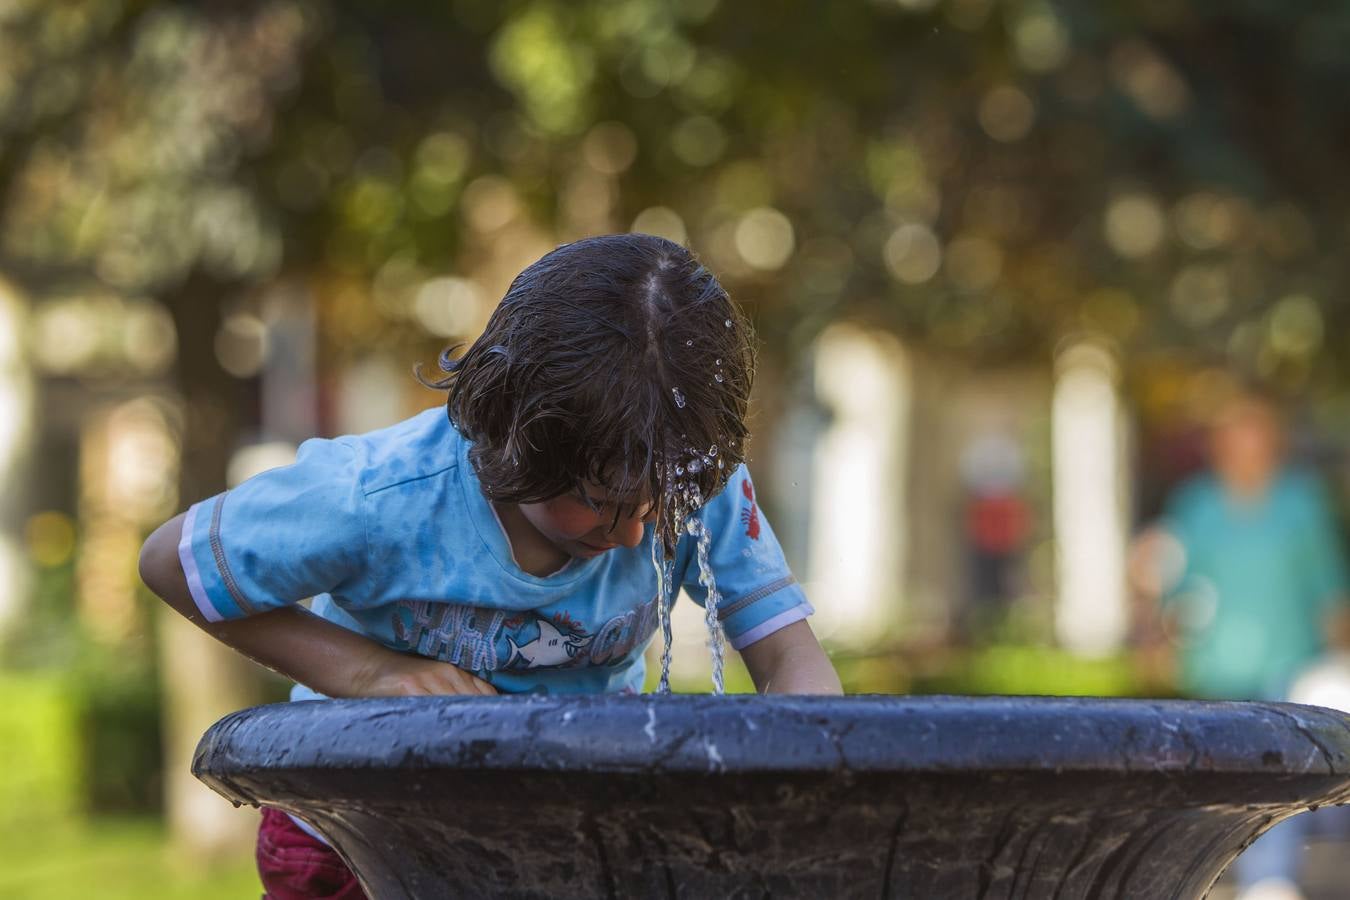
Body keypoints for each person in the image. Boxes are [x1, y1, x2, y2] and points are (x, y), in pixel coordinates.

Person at [138, 234, 842, 900]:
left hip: (562, 821)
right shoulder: (380, 496)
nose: (633, 533)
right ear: (512, 435)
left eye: (653, 506)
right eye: (598, 501)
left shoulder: (683, 477)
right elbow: (172, 563)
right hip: (357, 824)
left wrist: (798, 801)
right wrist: (368, 674)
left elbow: (792, 662)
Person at [1131, 384, 1350, 900]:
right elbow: (1173, 583)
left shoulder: (1300, 504)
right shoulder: (1197, 504)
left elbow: (1328, 587)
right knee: (1223, 779)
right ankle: (1218, 873)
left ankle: (1270, 878)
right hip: (1215, 666)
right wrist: (1153, 629)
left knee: (1279, 772)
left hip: (1286, 662)